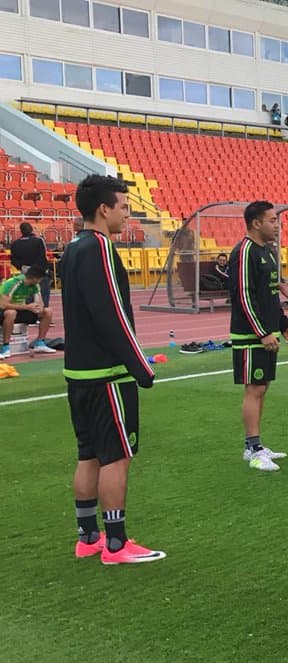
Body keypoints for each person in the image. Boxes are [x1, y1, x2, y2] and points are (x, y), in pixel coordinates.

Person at [61, 174, 164, 564]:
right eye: (123, 205)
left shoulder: (73, 249)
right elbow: (112, 315)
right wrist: (141, 367)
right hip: (107, 375)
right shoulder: (100, 248)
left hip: (78, 373)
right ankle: (116, 544)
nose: (127, 213)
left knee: (88, 454)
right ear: (103, 209)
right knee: (116, 456)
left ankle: (88, 537)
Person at [229, 202, 288, 472]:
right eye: (271, 220)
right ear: (256, 223)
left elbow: (270, 295)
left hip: (267, 334)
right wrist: (261, 333)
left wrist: (283, 325)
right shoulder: (245, 252)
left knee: (262, 388)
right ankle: (253, 449)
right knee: (254, 389)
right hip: (251, 336)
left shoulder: (266, 252)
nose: (276, 225)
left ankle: (255, 445)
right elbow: (244, 297)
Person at [1, 265, 56, 357]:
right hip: (4, 311)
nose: (40, 282)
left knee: (47, 311)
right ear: (34, 278)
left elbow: (40, 303)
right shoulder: (13, 283)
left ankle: (40, 342)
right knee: (11, 313)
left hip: (21, 310)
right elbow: (3, 305)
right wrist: (27, 307)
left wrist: (38, 308)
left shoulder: (35, 285)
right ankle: (5, 347)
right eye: (40, 279)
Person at [10, 222, 51, 307]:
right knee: (43, 297)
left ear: (21, 231)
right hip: (39, 273)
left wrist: (22, 267)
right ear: (31, 229)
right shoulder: (39, 241)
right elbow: (42, 257)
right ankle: (43, 316)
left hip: (25, 273)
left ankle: (30, 317)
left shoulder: (15, 244)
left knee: (27, 298)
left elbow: (13, 259)